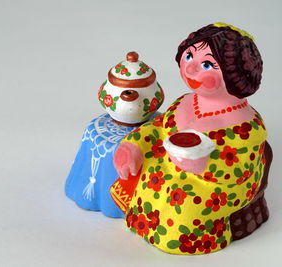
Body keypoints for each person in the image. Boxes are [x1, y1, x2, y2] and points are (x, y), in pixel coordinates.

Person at [110, 23, 273, 255]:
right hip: (172, 166)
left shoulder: (245, 126)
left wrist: (205, 165)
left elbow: (242, 169)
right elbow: (158, 127)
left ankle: (184, 237)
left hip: (220, 183)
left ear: (234, 74)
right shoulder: (185, 102)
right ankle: (146, 223)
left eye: (207, 64)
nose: (191, 68)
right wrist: (133, 145)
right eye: (188, 56)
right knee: (152, 175)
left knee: (185, 200)